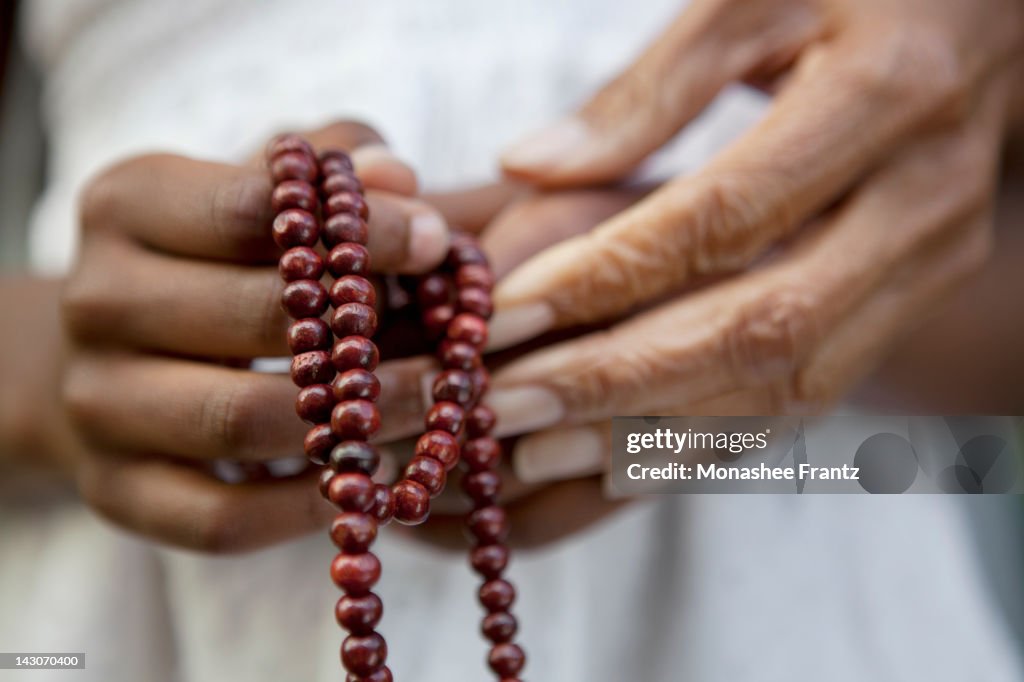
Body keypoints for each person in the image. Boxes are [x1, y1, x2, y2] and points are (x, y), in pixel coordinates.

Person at [1, 0, 1022, 680]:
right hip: (152, 590)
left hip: (804, 544)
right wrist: (57, 376)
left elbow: (983, 410)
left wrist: (800, 308)